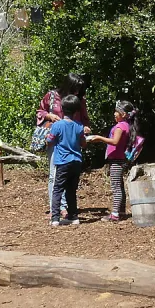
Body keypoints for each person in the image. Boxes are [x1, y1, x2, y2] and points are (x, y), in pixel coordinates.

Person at [35, 73, 90, 212]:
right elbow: (40, 111)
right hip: (54, 139)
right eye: (75, 88)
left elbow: (84, 119)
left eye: (79, 89)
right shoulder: (52, 96)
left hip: (72, 141)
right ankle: (57, 207)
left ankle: (66, 206)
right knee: (55, 173)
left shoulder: (80, 99)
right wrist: (49, 115)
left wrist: (85, 128)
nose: (77, 92)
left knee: (69, 173)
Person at [87, 101, 136, 221]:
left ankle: (115, 214)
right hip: (121, 159)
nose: (114, 114)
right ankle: (122, 211)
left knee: (116, 187)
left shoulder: (120, 126)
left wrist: (99, 138)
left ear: (123, 114)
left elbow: (115, 141)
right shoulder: (126, 125)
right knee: (119, 185)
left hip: (117, 160)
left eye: (116, 112)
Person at [45, 94, 86, 226]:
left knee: (57, 189)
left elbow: (49, 141)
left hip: (62, 161)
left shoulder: (57, 126)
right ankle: (74, 216)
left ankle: (55, 218)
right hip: (76, 161)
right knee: (71, 190)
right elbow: (83, 143)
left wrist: (47, 136)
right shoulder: (79, 126)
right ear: (76, 111)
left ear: (62, 109)